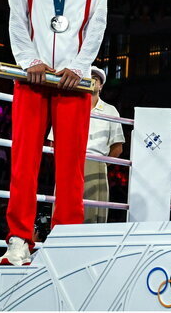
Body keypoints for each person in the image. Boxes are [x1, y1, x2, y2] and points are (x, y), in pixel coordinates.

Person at [0, 0, 108, 265]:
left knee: (71, 165)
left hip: (73, 83)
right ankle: (18, 239)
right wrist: (30, 61)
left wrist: (79, 67)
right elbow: (18, 20)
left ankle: (67, 240)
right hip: (33, 78)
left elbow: (96, 27)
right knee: (24, 162)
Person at [48, 65, 125, 224]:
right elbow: (53, 142)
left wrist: (100, 164)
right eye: (87, 77)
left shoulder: (110, 111)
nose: (91, 81)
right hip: (69, 162)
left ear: (101, 85)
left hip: (97, 162)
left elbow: (117, 148)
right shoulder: (66, 105)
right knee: (63, 212)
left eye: (95, 79)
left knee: (92, 216)